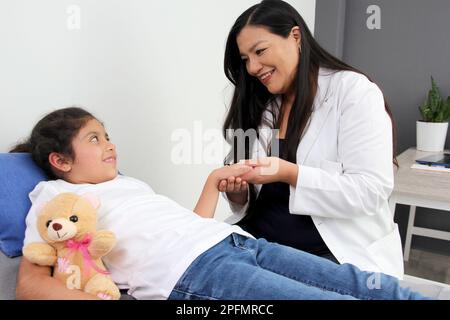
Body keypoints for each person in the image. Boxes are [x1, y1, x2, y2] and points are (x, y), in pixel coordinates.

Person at [13, 107, 426, 300]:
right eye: (94, 139)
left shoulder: (128, 184)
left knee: (356, 283)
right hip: (197, 274)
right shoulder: (53, 198)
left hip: (234, 242)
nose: (110, 144)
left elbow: (190, 227)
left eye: (106, 134)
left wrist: (213, 181)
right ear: (60, 161)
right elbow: (30, 285)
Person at [219, 0, 403, 278]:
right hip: (258, 241)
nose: (253, 68)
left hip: (329, 250)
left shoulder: (353, 92)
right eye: (245, 59)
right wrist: (238, 193)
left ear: (295, 37)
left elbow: (371, 190)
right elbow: (250, 197)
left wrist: (290, 173)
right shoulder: (259, 104)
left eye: (260, 51)